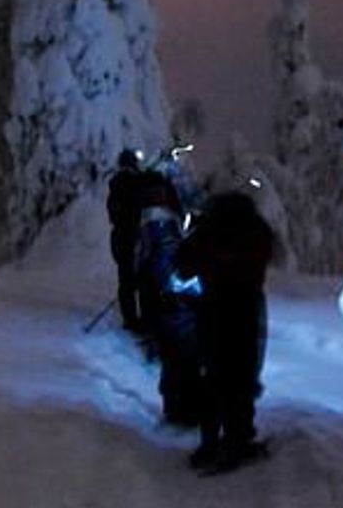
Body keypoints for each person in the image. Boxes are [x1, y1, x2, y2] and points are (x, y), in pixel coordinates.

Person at [174, 191, 276, 473]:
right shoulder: (256, 230)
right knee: (242, 376)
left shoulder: (207, 231)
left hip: (212, 309)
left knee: (214, 375)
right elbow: (264, 256)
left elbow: (182, 266)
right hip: (246, 309)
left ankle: (210, 442)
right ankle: (238, 439)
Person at [132, 161, 197, 426]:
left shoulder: (153, 220)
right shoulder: (163, 220)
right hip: (167, 285)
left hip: (162, 285)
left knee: (174, 350)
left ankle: (178, 407)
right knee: (177, 351)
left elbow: (145, 255)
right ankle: (181, 409)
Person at [106, 148, 146, 335]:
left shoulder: (119, 184)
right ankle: (135, 319)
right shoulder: (133, 183)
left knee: (128, 280)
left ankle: (132, 318)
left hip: (125, 236)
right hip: (131, 236)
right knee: (137, 279)